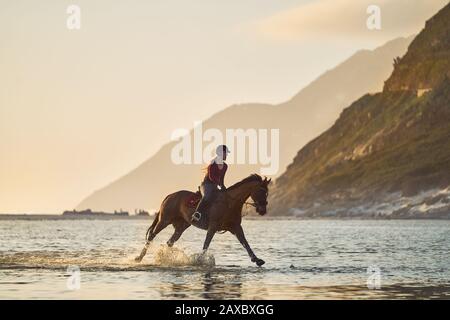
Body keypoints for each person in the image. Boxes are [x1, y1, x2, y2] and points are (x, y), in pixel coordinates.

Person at [191, 145, 230, 222]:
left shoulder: (225, 166)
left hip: (215, 186)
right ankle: (197, 214)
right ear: (221, 153)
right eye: (226, 153)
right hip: (206, 185)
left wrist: (223, 187)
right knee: (207, 196)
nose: (227, 155)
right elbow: (211, 177)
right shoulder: (213, 164)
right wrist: (219, 184)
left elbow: (222, 179)